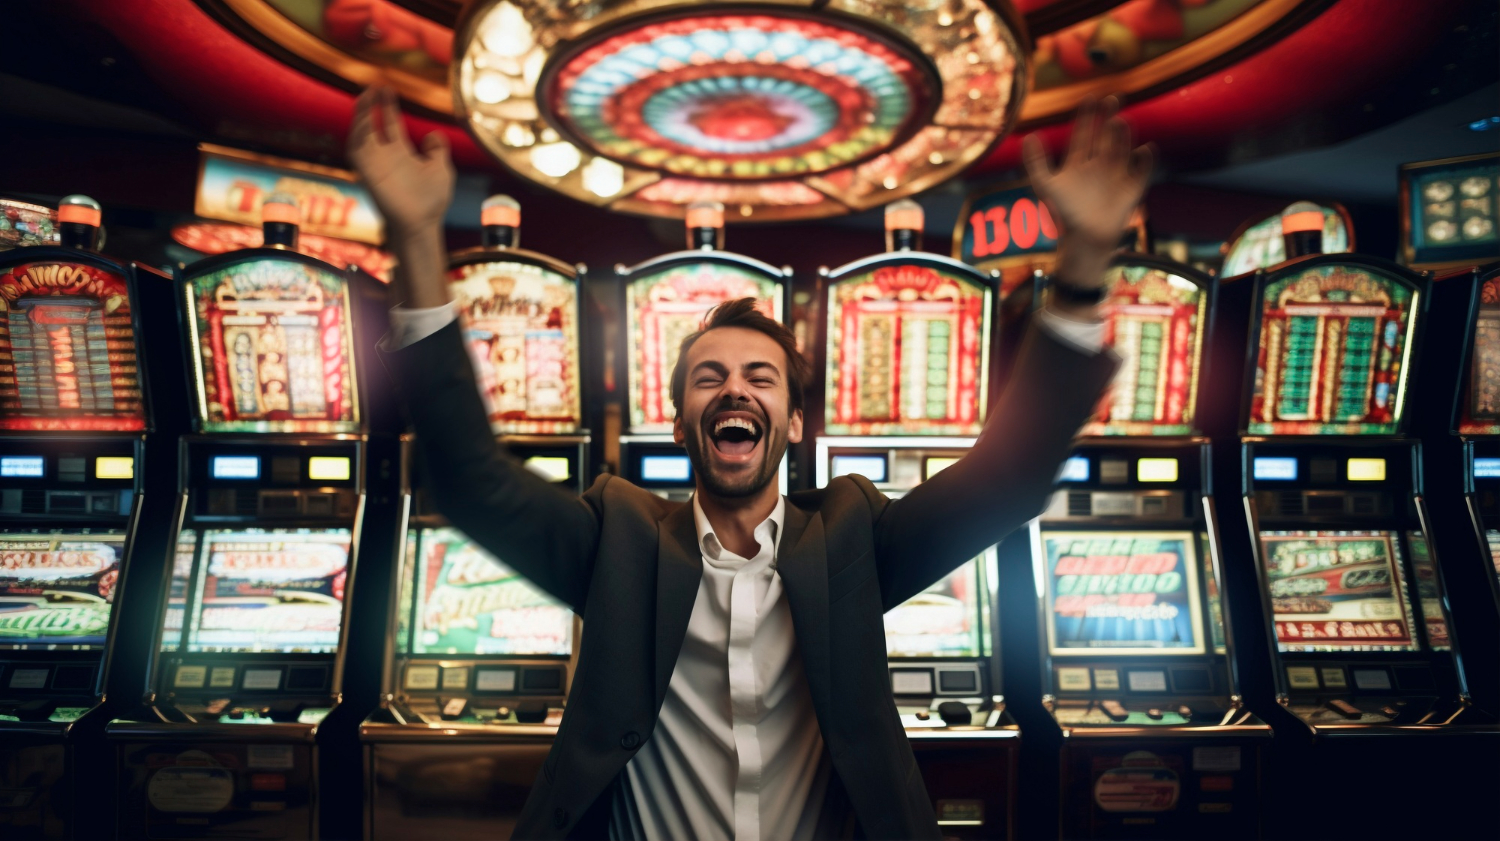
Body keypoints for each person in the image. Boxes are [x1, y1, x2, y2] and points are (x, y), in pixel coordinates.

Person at [349, 87, 1149, 840]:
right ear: (681, 424)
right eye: (711, 377)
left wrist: (1081, 268)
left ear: (793, 423)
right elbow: (472, 479)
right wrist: (419, 239)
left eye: (760, 377)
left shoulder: (851, 537)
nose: (736, 388)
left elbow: (1004, 481)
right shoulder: (617, 536)